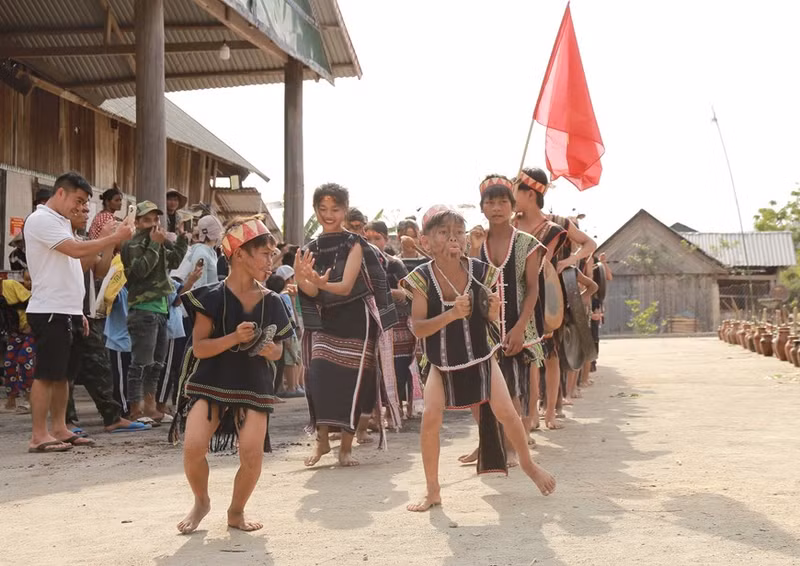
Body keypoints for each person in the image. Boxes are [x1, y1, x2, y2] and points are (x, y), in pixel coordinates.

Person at [401, 206, 556, 512]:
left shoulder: (480, 271)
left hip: (481, 356)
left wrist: (493, 309)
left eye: (458, 232)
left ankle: (528, 465)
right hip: (441, 362)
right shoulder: (420, 278)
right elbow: (418, 328)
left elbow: (491, 317)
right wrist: (451, 314)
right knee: (431, 418)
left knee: (508, 413)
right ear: (427, 240)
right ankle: (433, 490)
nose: (452, 239)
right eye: (443, 233)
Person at [174, 216, 293, 534]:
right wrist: (233, 339)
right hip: (211, 379)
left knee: (252, 453)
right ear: (239, 253)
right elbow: (199, 349)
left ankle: (236, 512)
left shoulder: (274, 302)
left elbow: (279, 350)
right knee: (193, 447)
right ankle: (201, 501)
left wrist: (270, 351)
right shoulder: (211, 296)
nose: (271, 261)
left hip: (253, 384)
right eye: (265, 254)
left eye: (272, 254)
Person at [23, 172, 132, 453]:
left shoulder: (62, 224)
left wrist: (108, 240)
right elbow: (73, 251)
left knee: (63, 376)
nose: (81, 207)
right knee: (47, 375)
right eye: (79, 200)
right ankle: (38, 434)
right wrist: (113, 237)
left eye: (85, 203)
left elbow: (87, 268)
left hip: (68, 310)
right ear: (60, 193)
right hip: (49, 309)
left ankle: (59, 428)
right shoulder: (41, 220)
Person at [296, 183, 399, 467]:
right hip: (326, 320)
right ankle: (322, 443)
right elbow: (311, 292)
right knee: (317, 377)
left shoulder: (354, 243)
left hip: (357, 319)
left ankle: (346, 449)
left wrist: (318, 282)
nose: (329, 214)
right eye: (323, 209)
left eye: (335, 209)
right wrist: (304, 279)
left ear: (344, 209)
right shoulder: (309, 248)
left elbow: (344, 286)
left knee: (352, 384)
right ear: (316, 210)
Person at [459, 175, 546, 465]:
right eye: (490, 202)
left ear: (513, 206)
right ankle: (487, 442)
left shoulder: (527, 244)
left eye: (502, 202)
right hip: (483, 330)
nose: (496, 207)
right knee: (479, 392)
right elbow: (469, 283)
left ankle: (511, 447)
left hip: (517, 327)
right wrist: (472, 250)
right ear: (482, 207)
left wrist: (520, 328)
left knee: (513, 389)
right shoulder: (476, 243)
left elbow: (533, 288)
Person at [513, 167, 596, 429]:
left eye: (515, 188)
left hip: (550, 294)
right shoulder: (511, 224)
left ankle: (549, 412)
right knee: (529, 359)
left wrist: (570, 260)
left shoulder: (558, 224)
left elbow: (589, 244)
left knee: (550, 355)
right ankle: (531, 415)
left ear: (529, 193)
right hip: (518, 294)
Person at [121, 200, 188, 422]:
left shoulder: (158, 242)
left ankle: (150, 407)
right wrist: (154, 245)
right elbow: (140, 270)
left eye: (156, 219)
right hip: (142, 309)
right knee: (140, 362)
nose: (153, 224)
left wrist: (182, 239)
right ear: (138, 222)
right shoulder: (132, 244)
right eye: (148, 219)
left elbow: (175, 261)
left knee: (157, 363)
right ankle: (135, 409)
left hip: (161, 308)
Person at [365, 220, 419, 419]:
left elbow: (409, 293)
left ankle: (392, 412)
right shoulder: (358, 265)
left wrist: (385, 292)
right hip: (370, 325)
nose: (371, 242)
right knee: (372, 371)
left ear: (386, 239)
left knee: (397, 370)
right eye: (367, 238)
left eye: (376, 238)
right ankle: (374, 415)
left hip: (397, 324)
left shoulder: (394, 264)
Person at [2, 271, 33, 412]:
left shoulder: (9, 285)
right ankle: (11, 400)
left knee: (24, 360)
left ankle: (29, 399)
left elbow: (31, 301)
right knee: (8, 362)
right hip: (15, 333)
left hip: (32, 330)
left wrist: (31, 325)